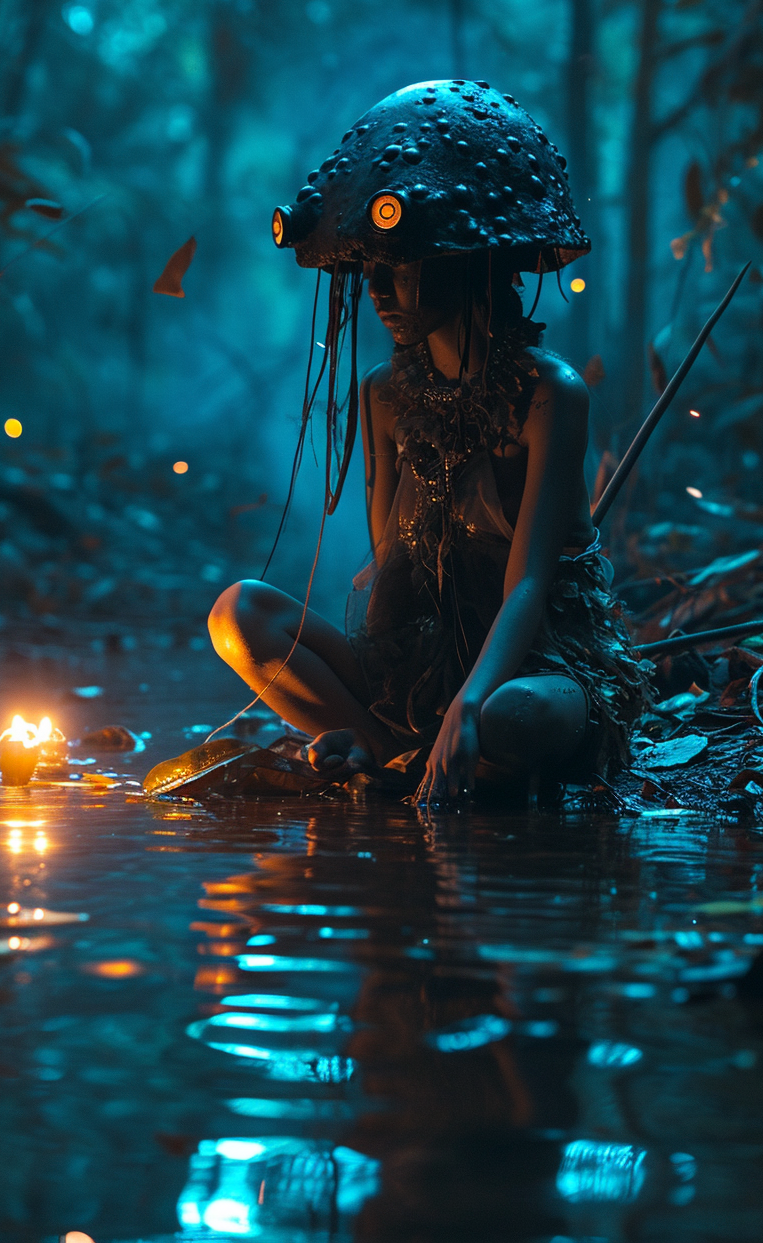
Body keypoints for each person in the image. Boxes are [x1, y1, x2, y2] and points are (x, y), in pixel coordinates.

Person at [208, 79, 649, 805]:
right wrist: (385, 692)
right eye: (371, 269)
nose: (378, 289)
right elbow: (395, 570)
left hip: (535, 665)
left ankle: (425, 756)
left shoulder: (551, 392)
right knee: (240, 613)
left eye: (401, 264)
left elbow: (530, 582)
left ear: (466, 258)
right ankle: (393, 753)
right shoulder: (382, 396)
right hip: (424, 668)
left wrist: (472, 703)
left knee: (518, 714)